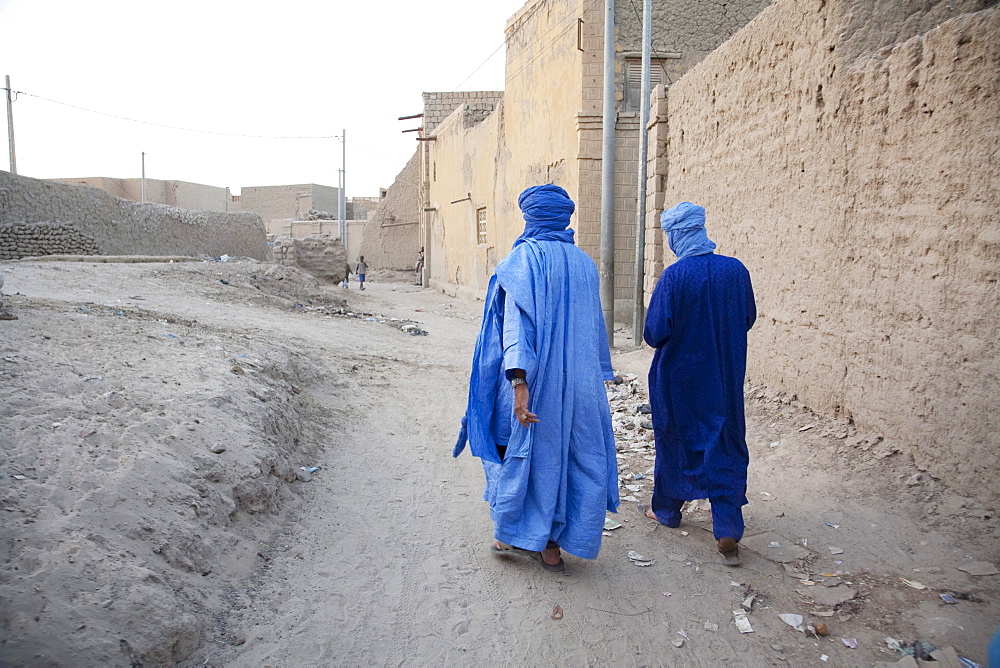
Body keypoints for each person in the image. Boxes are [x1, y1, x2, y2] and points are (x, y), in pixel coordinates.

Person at [453, 184, 619, 571]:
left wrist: (519, 386)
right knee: (569, 459)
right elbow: (596, 330)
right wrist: (597, 380)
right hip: (580, 386)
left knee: (521, 455)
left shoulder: (523, 260)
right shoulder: (583, 263)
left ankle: (512, 532)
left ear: (530, 216)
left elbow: (516, 331)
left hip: (536, 382)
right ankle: (550, 546)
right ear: (564, 217)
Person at [640, 201, 756, 566]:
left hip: (680, 380)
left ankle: (668, 511)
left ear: (676, 235)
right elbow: (747, 318)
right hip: (724, 376)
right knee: (725, 441)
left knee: (676, 441)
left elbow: (655, 332)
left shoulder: (675, 277)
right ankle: (726, 527)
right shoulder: (736, 271)